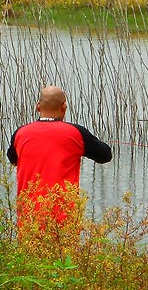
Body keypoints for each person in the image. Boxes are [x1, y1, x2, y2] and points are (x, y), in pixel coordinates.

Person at [7, 86, 112, 229]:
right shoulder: (76, 133)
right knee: (65, 252)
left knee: (28, 251)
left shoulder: (20, 133)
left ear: (38, 107)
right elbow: (105, 155)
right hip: (63, 220)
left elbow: (13, 159)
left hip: (28, 218)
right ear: (64, 107)